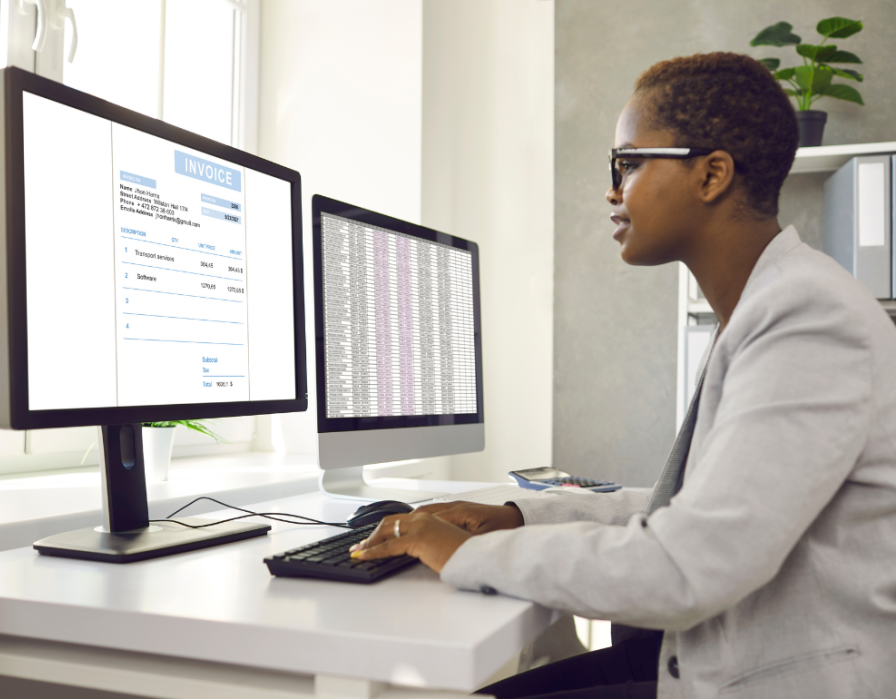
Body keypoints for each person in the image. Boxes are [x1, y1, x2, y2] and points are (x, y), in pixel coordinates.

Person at [349, 52, 896, 699]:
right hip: (727, 654)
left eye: (630, 163)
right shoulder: (769, 306)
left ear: (712, 173)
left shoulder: (807, 321)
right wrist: (516, 515)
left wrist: (461, 552)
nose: (613, 189)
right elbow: (690, 512)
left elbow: (684, 564)